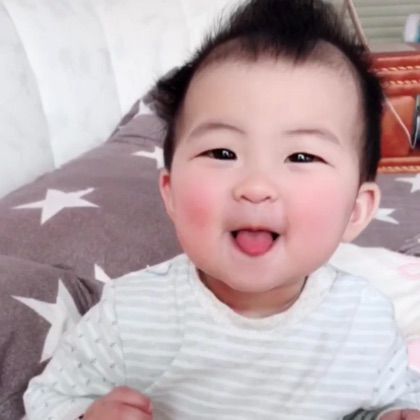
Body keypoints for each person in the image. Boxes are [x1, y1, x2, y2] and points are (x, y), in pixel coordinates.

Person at [24, 0, 420, 419]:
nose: (256, 186)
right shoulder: (132, 316)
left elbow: (395, 398)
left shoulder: (363, 320)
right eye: (223, 152)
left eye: (302, 156)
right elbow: (48, 400)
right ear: (171, 192)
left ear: (356, 211)